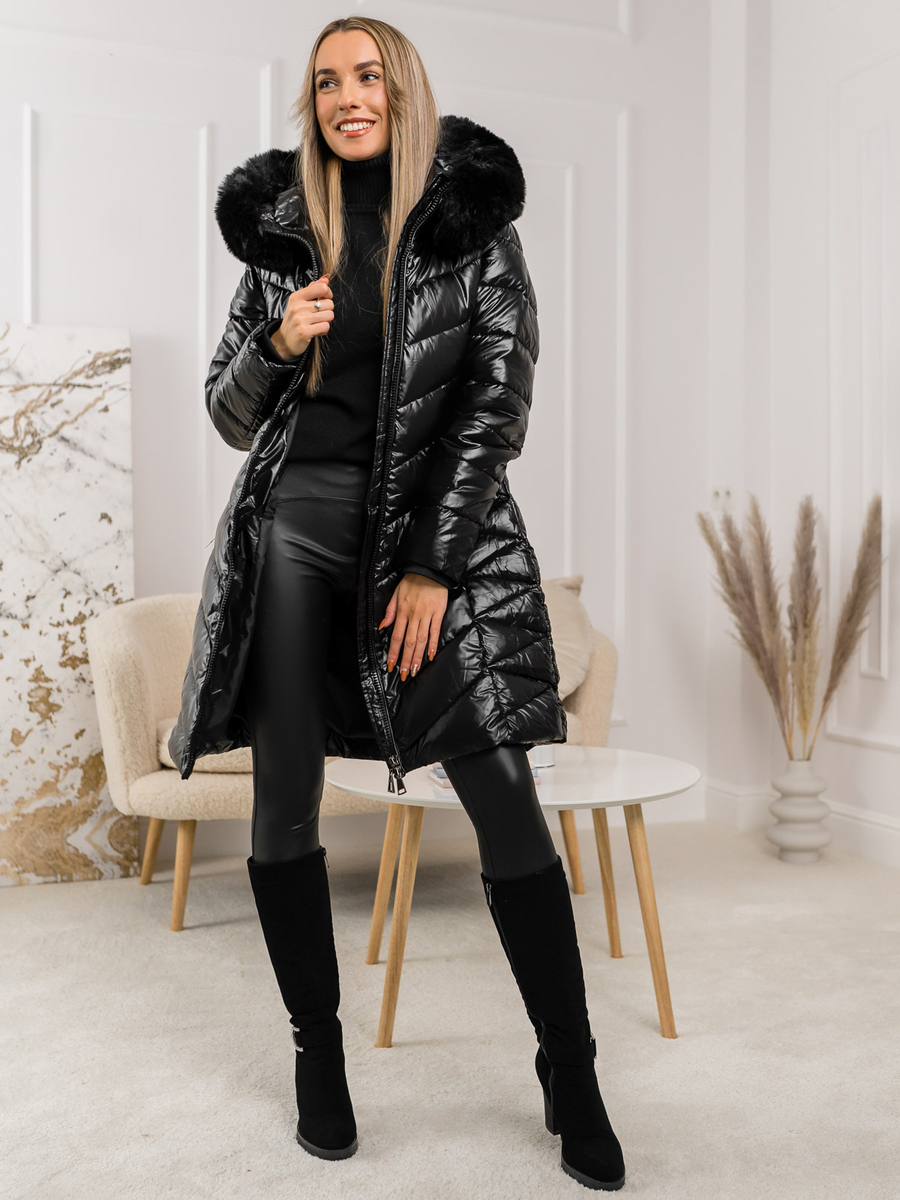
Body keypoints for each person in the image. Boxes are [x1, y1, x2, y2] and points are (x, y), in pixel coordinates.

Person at [169, 15, 625, 1192]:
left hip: (434, 539)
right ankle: (317, 1051)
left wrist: (430, 566)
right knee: (283, 797)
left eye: (367, 76)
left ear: (403, 89)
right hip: (295, 532)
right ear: (312, 105)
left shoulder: (473, 224)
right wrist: (278, 340)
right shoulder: (283, 237)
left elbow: (496, 403)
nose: (347, 97)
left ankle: (570, 1068)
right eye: (327, 82)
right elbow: (227, 412)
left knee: (502, 790)